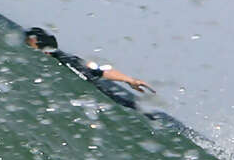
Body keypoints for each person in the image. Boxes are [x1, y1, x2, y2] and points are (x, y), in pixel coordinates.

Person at [23, 28, 154, 107]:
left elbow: (97, 71)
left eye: (29, 44)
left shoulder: (65, 59)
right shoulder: (64, 57)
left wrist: (130, 80)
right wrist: (129, 80)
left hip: (116, 100)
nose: (27, 46)